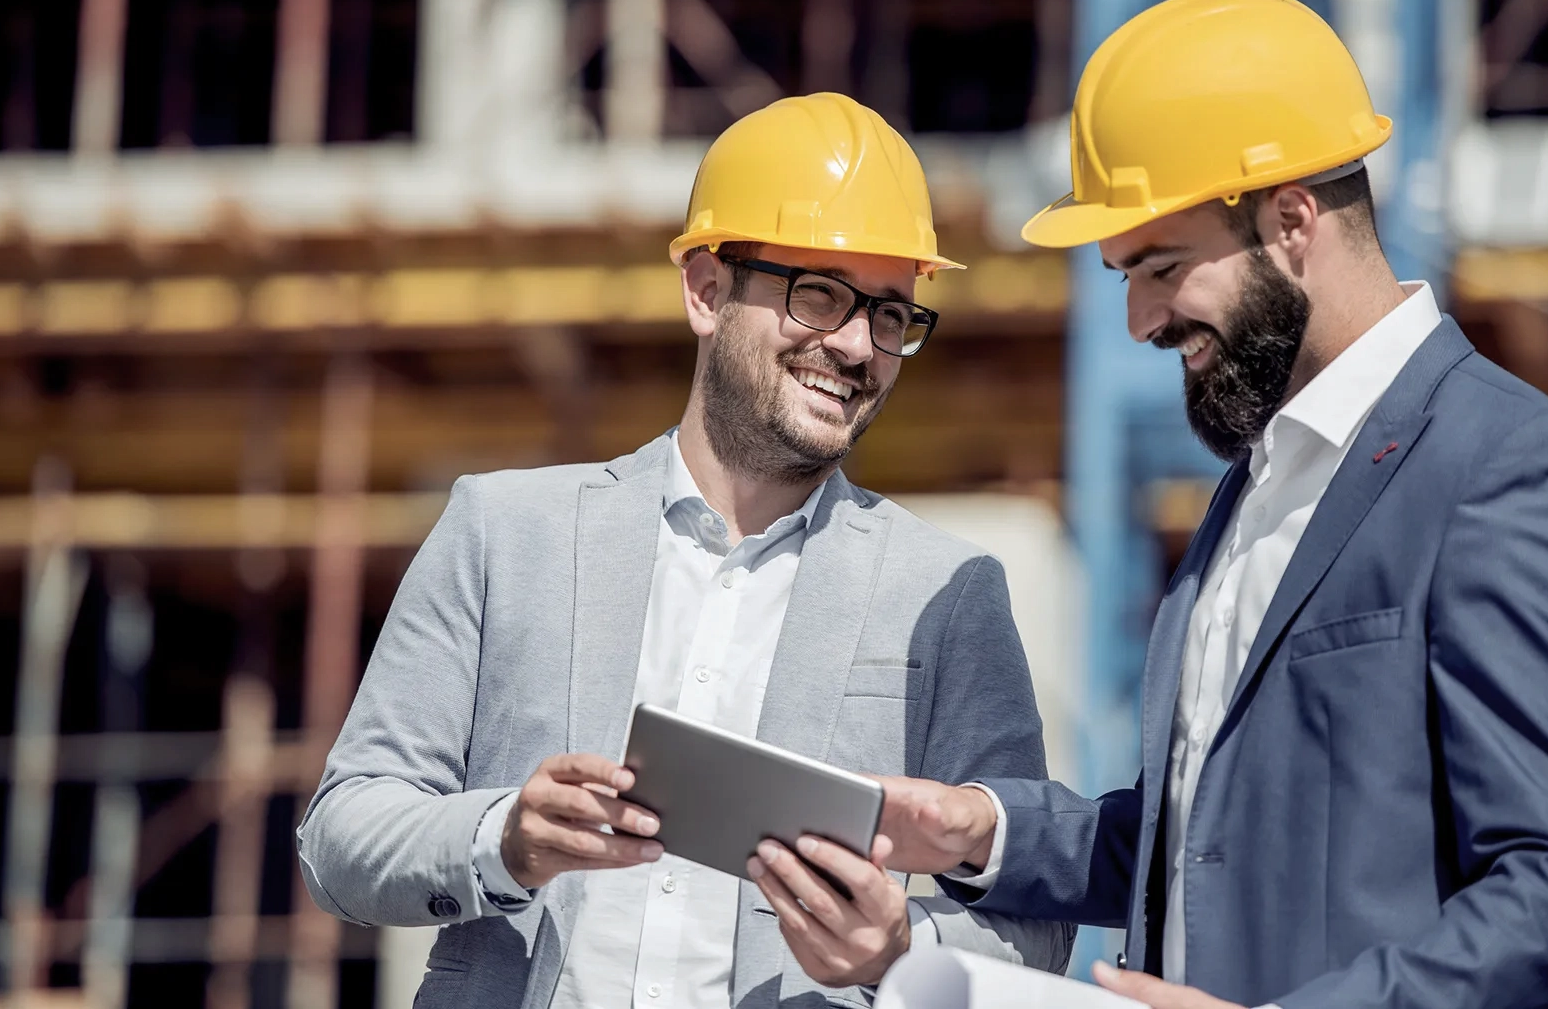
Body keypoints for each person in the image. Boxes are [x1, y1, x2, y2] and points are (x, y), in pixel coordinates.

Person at [872, 0, 1548, 1009]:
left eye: (1160, 265)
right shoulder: (1255, 486)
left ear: (1291, 218)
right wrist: (989, 831)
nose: (1139, 320)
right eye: (1120, 274)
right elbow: (1215, 839)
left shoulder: (1499, 467)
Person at [296, 91, 1074, 1009]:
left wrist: (900, 952)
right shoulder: (506, 532)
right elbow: (340, 835)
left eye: (893, 314)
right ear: (707, 291)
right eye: (819, 294)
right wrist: (504, 836)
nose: (860, 344)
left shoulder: (945, 592)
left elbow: (1035, 918)